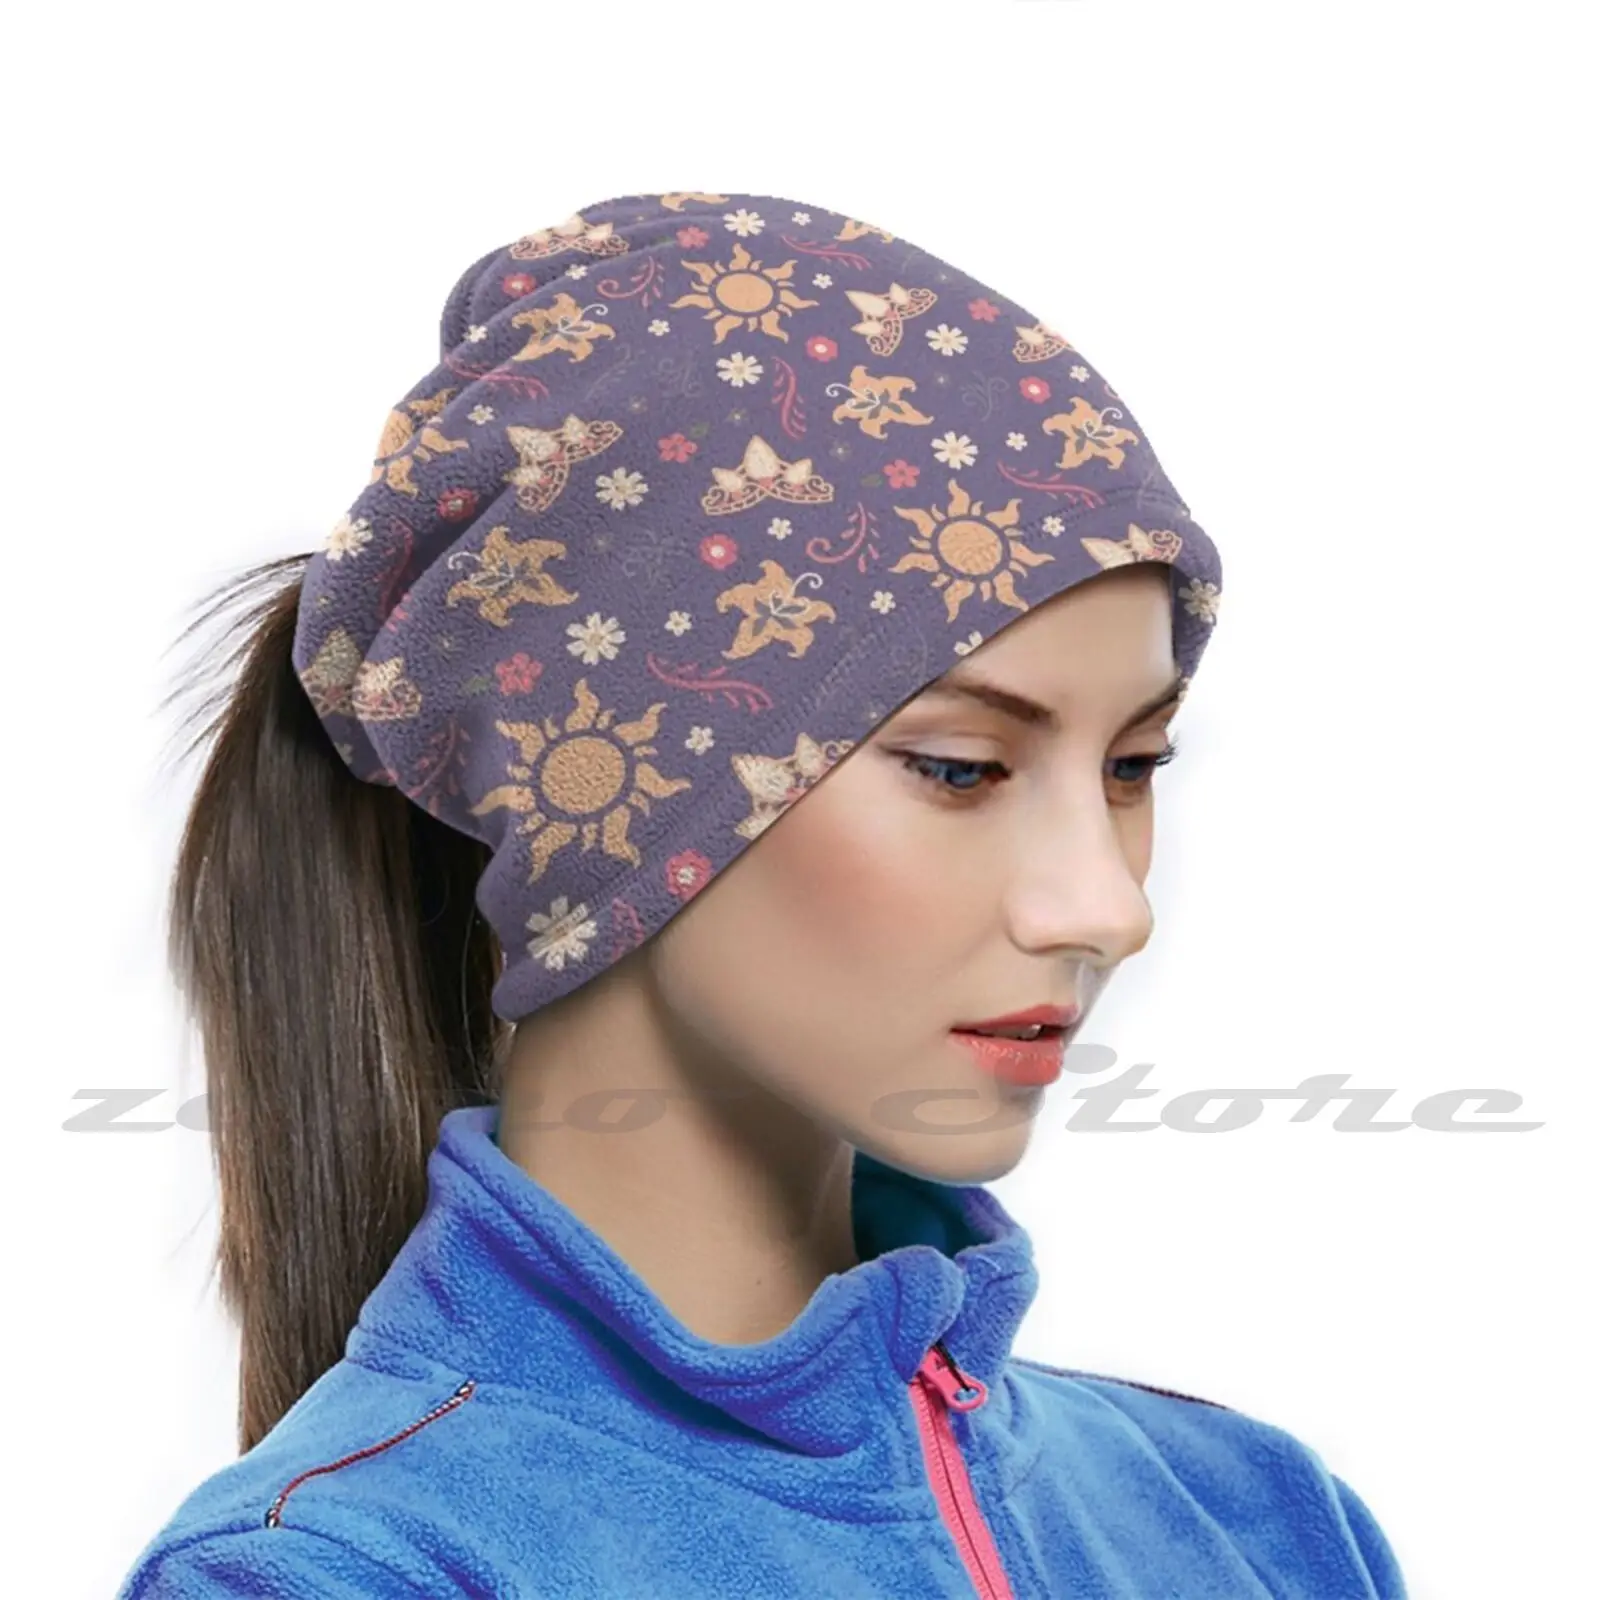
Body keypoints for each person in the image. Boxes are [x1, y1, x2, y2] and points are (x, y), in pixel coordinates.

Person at [116, 189, 1406, 1598]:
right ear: (608, 800)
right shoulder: (346, 1572)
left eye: (1133, 765)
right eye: (964, 769)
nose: (1107, 909)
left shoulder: (1256, 1520)